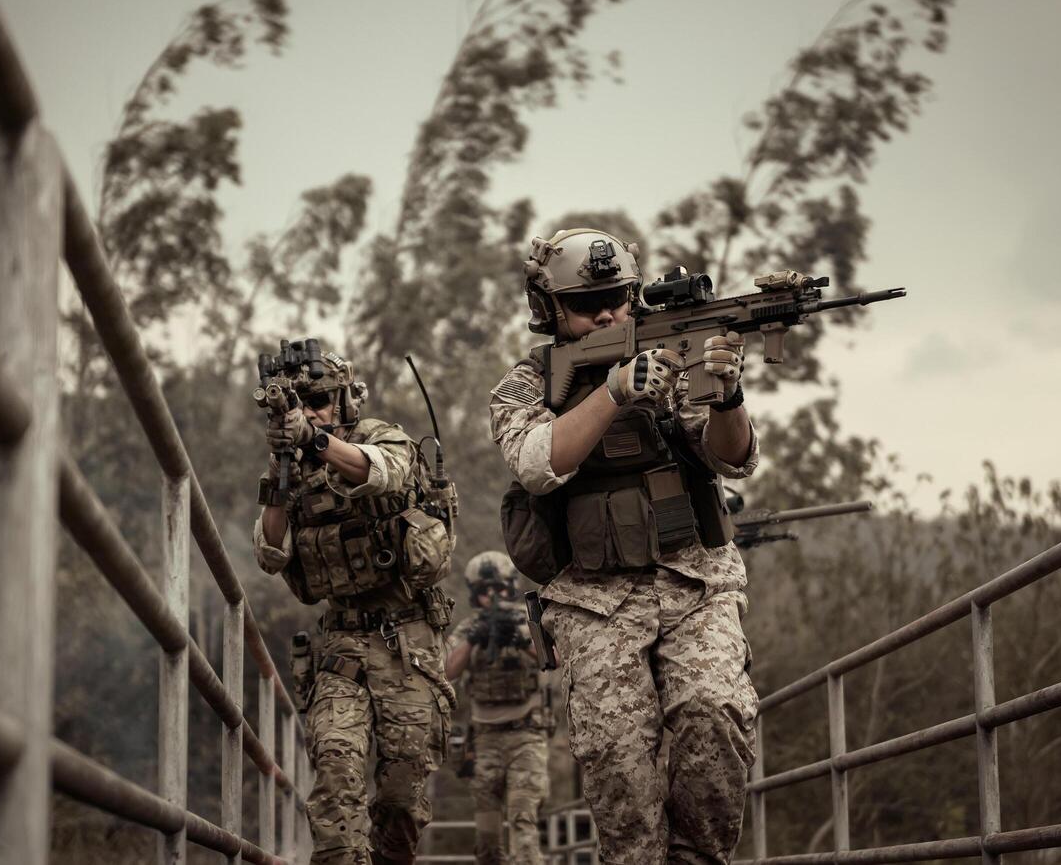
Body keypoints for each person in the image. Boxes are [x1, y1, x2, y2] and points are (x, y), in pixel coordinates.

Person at [489, 229, 760, 865]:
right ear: (551, 308)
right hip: (590, 599)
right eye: (588, 304)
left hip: (695, 582)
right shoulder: (525, 384)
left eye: (618, 298)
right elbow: (535, 465)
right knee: (617, 763)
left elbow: (735, 457)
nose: (607, 313)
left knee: (714, 714)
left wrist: (727, 396)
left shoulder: (669, 354)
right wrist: (614, 392)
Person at [254, 349, 456, 865]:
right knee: (335, 779)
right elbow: (271, 552)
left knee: (400, 802)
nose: (313, 410)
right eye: (303, 404)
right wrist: (282, 467)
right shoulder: (291, 468)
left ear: (345, 397)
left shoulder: (382, 437)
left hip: (410, 644)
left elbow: (381, 473)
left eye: (320, 400)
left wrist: (314, 440)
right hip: (342, 647)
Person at [445, 552, 551, 865]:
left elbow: (551, 657)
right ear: (474, 593)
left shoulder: (524, 619)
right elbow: (447, 670)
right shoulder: (469, 627)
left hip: (526, 735)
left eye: (499, 588)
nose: (492, 596)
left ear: (511, 587)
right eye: (484, 590)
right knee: (488, 838)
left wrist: (520, 637)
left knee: (523, 818)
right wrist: (476, 638)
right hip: (485, 739)